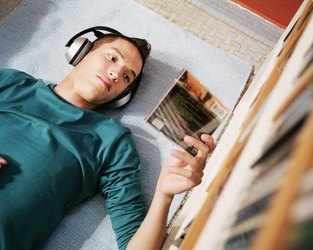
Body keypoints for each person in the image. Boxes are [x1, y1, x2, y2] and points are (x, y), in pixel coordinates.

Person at [0, 27, 215, 250]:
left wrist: (164, 195)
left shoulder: (111, 140)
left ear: (121, 96)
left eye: (126, 77)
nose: (115, 74)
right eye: (112, 58)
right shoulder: (12, 82)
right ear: (81, 52)